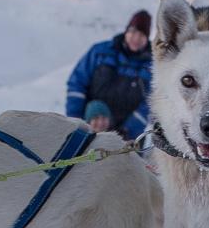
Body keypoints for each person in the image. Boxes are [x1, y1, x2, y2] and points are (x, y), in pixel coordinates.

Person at [65, 10, 153, 141]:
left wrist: (128, 131)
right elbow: (77, 84)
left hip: (125, 136)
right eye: (133, 32)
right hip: (88, 127)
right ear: (126, 31)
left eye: (142, 35)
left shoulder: (151, 66)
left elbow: (150, 102)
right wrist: (76, 120)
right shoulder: (100, 52)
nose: (136, 38)